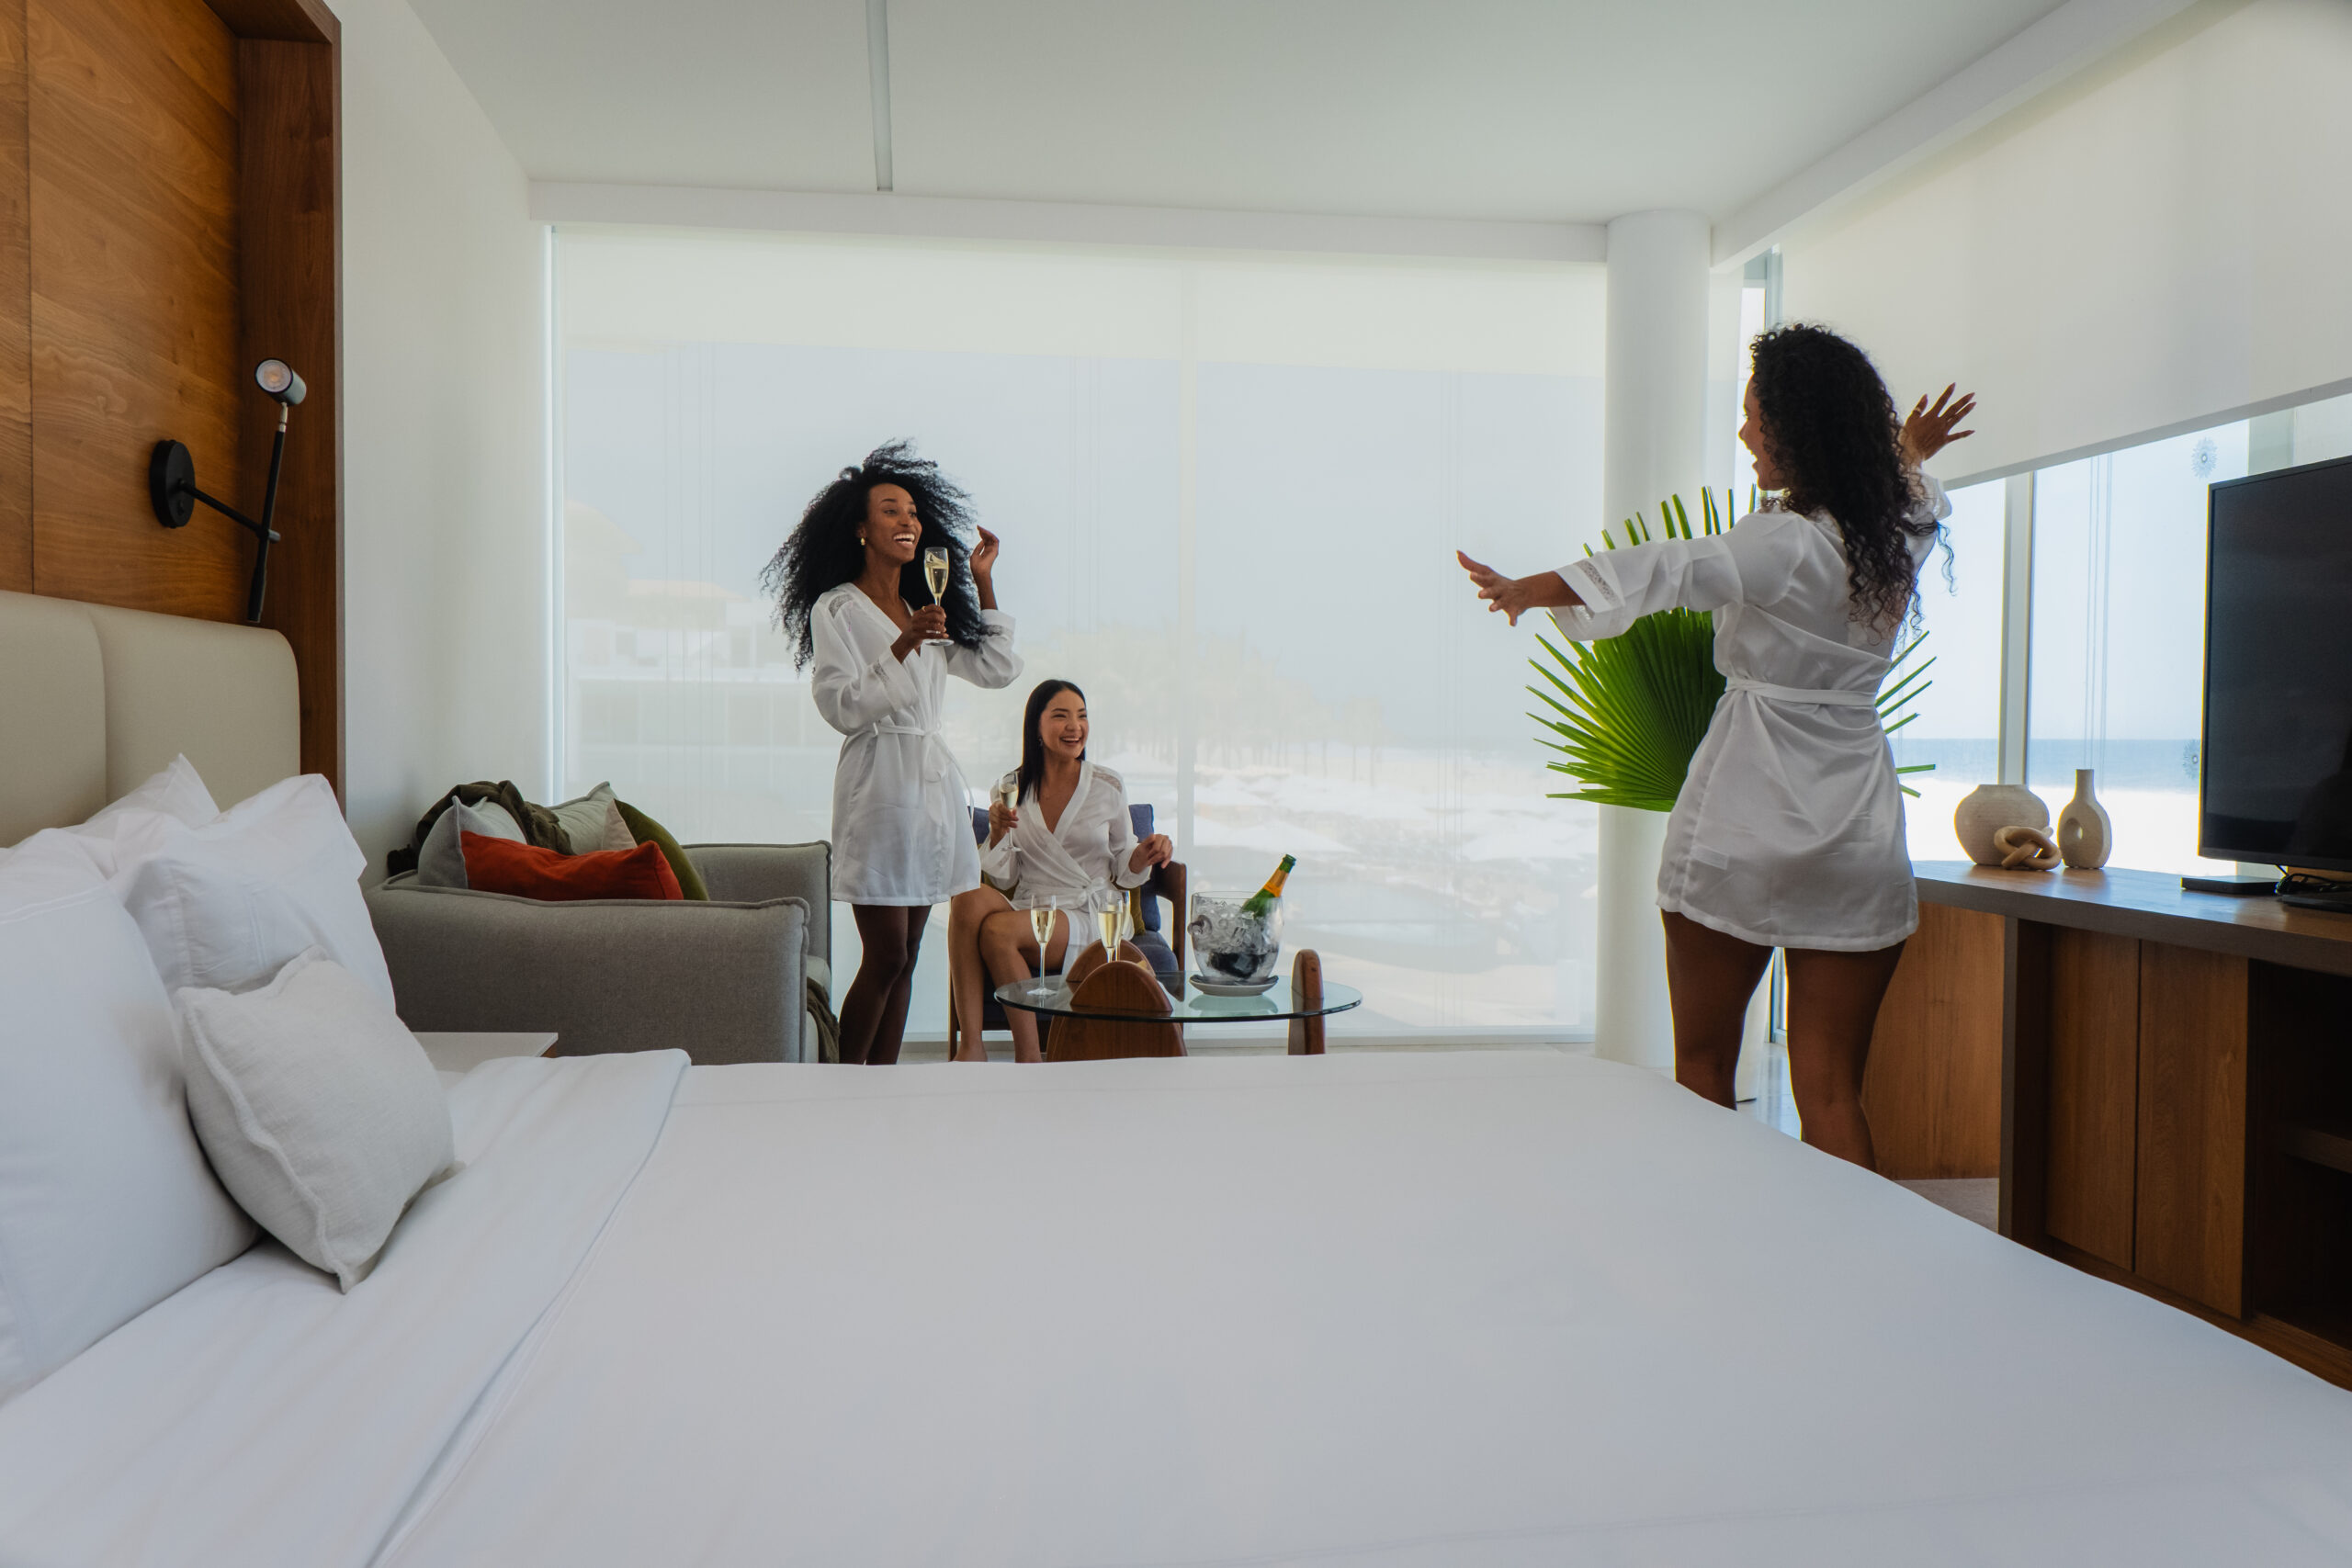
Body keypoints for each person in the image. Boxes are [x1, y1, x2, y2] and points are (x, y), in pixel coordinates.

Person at [1456, 324, 1975, 1169]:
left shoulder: (1783, 541)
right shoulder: (1899, 530)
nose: (1744, 435)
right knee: (1833, 1092)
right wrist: (1908, 448)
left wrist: (1533, 588)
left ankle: (1713, 1238)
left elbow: (1668, 568)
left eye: (1754, 419)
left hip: (1745, 816)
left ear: (1798, 432)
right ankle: (1851, 1250)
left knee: (1702, 1068)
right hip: (1857, 829)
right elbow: (1907, 488)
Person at [764, 442, 1023, 1065]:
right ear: (861, 529)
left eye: (912, 512)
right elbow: (842, 707)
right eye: (890, 511)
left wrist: (983, 581)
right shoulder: (838, 608)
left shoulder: (922, 607)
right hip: (878, 784)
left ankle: (881, 1083)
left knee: (907, 954)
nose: (907, 521)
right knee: (883, 954)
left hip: (929, 789)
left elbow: (996, 668)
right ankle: (843, 1082)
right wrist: (904, 644)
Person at [945, 679, 1172, 1063]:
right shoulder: (1010, 787)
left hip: (1089, 912)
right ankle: (972, 1047)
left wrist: (1143, 856)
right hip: (1033, 904)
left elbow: (1123, 865)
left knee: (997, 932)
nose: (1075, 727)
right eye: (1061, 716)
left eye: (1082, 716)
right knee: (966, 898)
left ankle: (1029, 1057)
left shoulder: (1107, 785)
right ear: (1036, 725)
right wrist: (998, 833)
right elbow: (1004, 878)